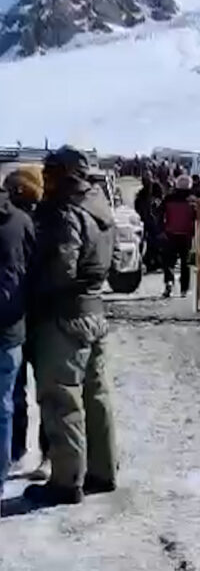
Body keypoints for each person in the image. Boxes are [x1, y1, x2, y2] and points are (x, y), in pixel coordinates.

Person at [24, 146, 116, 507]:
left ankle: (65, 481)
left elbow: (62, 267)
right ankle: (102, 472)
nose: (44, 179)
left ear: (64, 174)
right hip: (95, 311)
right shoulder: (99, 205)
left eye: (49, 172)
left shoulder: (64, 211)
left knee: (61, 398)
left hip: (64, 315)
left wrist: (35, 290)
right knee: (97, 396)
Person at [3, 168, 49, 480]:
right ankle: (22, 452)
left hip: (26, 319)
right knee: (28, 391)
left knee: (18, 393)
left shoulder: (36, 222)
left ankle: (20, 452)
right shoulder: (32, 221)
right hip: (31, 318)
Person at [0, 175, 35, 511]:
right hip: (13, 325)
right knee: (7, 402)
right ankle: (11, 458)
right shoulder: (23, 221)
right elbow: (34, 269)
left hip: (13, 324)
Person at [160, 175, 197, 298]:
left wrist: (161, 229)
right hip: (186, 235)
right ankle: (184, 289)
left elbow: (159, 214)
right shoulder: (192, 200)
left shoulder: (168, 198)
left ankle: (169, 283)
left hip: (170, 233)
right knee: (185, 263)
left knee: (168, 261)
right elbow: (196, 217)